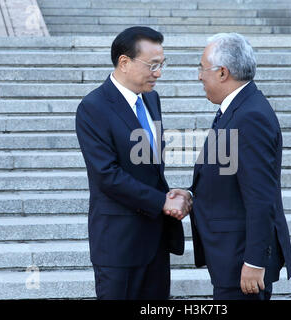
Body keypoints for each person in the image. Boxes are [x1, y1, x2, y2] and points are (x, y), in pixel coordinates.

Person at [170, 33, 291, 300]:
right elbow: (226, 177)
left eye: (202, 69)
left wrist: (254, 261)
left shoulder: (250, 116)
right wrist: (191, 195)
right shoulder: (237, 108)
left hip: (241, 261)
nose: (199, 76)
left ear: (223, 72)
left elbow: (261, 196)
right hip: (230, 257)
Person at [75, 26, 191, 300]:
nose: (158, 73)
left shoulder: (151, 99)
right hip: (119, 244)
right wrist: (161, 201)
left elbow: (149, 167)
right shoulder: (93, 107)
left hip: (155, 240)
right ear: (124, 62)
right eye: (152, 65)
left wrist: (171, 195)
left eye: (162, 65)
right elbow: (107, 175)